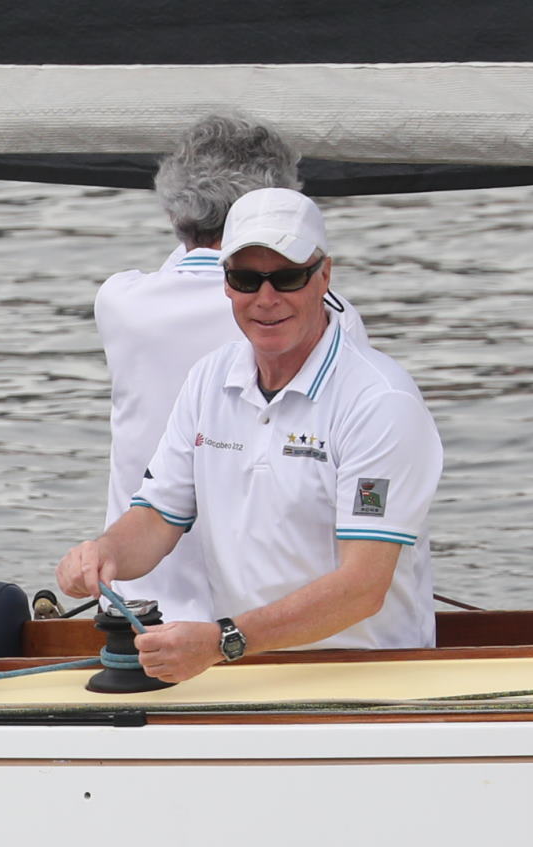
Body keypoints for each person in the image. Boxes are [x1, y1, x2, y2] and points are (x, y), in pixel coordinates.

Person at [56, 187, 442, 682]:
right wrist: (102, 554)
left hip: (368, 680)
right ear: (226, 284)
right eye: (246, 278)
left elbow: (363, 585)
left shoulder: (381, 402)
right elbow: (155, 519)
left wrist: (223, 641)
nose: (266, 299)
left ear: (324, 275)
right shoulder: (207, 380)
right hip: (246, 671)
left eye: (287, 277)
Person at [95, 114, 367, 622]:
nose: (265, 300)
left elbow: (186, 261)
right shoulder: (327, 312)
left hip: (144, 607)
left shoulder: (121, 301)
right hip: (278, 621)